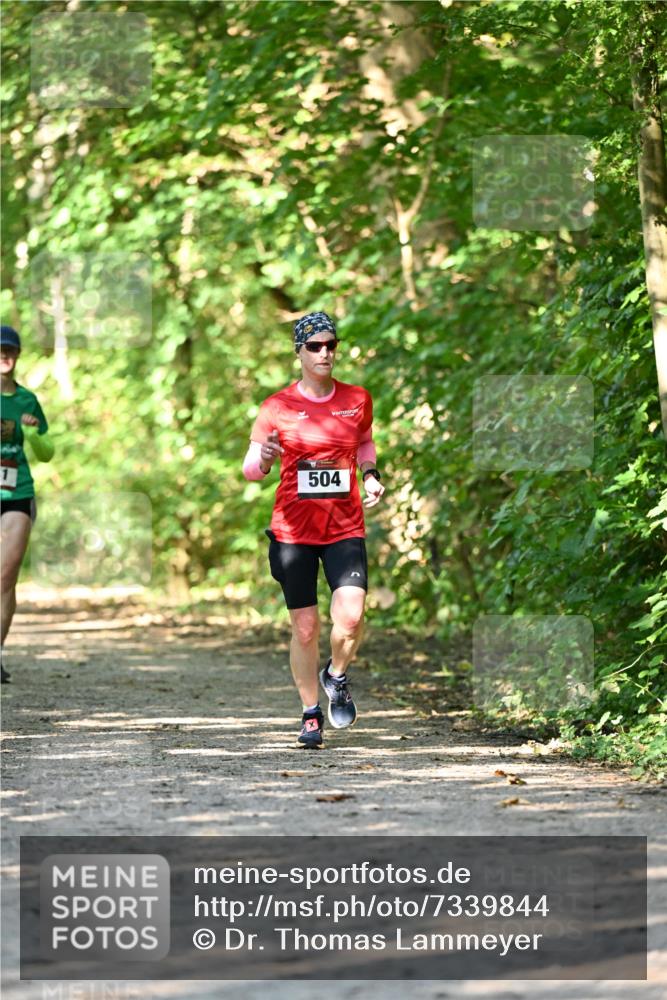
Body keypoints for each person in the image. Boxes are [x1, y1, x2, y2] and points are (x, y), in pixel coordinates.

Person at [243, 311, 384, 747]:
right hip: (293, 531)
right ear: (299, 352)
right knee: (304, 628)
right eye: (315, 346)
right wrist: (265, 457)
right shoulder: (276, 407)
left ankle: (336, 675)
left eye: (331, 345)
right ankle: (309, 714)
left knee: (352, 616)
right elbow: (251, 470)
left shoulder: (357, 398)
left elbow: (363, 440)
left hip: (344, 525)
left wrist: (370, 472)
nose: (326, 353)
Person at [1, 325, 54, 684]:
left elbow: (47, 454)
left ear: (18, 355)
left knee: (4, 577)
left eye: (10, 350)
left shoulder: (27, 400)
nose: (5, 356)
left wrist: (33, 432)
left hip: (16, 493)